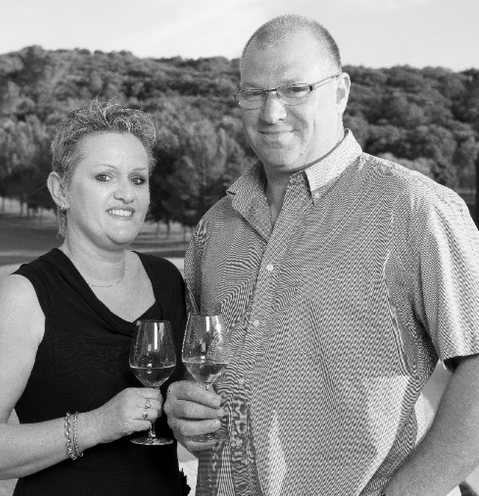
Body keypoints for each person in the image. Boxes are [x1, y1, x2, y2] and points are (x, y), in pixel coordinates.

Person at [164, 13, 479, 496]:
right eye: (254, 93)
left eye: (296, 89)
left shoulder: (415, 209)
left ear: (340, 92)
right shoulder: (215, 228)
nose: (271, 113)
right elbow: (199, 373)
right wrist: (185, 409)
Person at [0, 99, 188, 495]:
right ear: (60, 190)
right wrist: (97, 425)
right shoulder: (24, 296)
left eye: (138, 179)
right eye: (104, 177)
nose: (126, 194)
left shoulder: (166, 280)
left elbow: (179, 409)